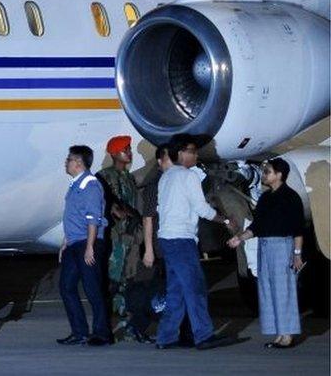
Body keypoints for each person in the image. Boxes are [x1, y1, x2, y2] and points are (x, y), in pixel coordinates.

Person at [155, 141, 237, 350]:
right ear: (180, 153)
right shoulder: (188, 175)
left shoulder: (166, 177)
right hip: (182, 239)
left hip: (167, 238)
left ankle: (166, 337)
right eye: (191, 151)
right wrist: (225, 220)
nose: (196, 155)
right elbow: (201, 208)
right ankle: (203, 335)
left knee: (177, 290)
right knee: (195, 287)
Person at [227, 158, 306, 348]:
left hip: (282, 246)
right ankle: (279, 333)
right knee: (268, 290)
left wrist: (297, 254)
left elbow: (298, 229)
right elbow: (257, 226)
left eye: (267, 172)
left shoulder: (291, 197)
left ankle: (287, 334)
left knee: (283, 290)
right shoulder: (265, 198)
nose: (264, 175)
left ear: (279, 175)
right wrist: (239, 238)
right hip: (265, 245)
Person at [57, 145, 111, 347]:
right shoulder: (75, 185)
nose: (66, 162)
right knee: (66, 287)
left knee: (93, 289)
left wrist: (90, 247)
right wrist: (65, 241)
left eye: (69, 159)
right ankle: (79, 332)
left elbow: (93, 219)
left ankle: (102, 333)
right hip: (74, 243)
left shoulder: (90, 185)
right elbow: (73, 217)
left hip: (87, 243)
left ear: (79, 163)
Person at [95, 135, 147, 341]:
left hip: (131, 238)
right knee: (113, 280)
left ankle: (129, 322)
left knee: (129, 280)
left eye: (129, 149)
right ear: (114, 153)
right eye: (125, 149)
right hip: (116, 238)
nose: (129, 152)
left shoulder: (128, 177)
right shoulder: (104, 177)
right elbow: (105, 204)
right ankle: (109, 323)